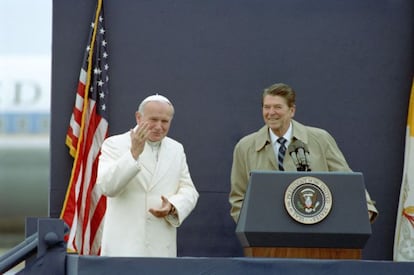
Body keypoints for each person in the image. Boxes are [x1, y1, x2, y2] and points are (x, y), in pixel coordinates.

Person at [229, 83, 378, 224]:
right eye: (266, 107)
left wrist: (365, 207)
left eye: (278, 107)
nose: (271, 113)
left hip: (315, 231)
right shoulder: (245, 147)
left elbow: (346, 179)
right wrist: (252, 227)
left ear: (292, 110)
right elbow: (238, 198)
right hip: (267, 239)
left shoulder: (320, 139)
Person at [97, 94, 199, 257]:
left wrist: (172, 206)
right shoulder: (115, 144)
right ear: (138, 117)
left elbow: (189, 190)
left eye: (165, 121)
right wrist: (133, 154)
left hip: (161, 249)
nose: (159, 126)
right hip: (123, 248)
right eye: (153, 119)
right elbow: (107, 187)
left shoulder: (176, 149)